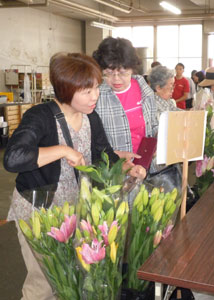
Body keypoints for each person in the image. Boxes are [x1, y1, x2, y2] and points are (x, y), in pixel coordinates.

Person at [3, 53, 146, 300]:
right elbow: (13, 158)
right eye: (87, 91)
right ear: (67, 90)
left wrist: (127, 168)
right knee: (44, 281)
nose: (95, 96)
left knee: (70, 278)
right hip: (39, 211)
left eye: (96, 89)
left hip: (74, 209)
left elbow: (105, 156)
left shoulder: (90, 116)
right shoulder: (41, 116)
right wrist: (62, 150)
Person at [92, 37, 158, 165]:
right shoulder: (96, 97)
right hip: (113, 168)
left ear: (132, 69)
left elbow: (153, 124)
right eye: (109, 73)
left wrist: (159, 140)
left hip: (144, 165)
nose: (116, 79)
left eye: (123, 73)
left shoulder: (145, 91)